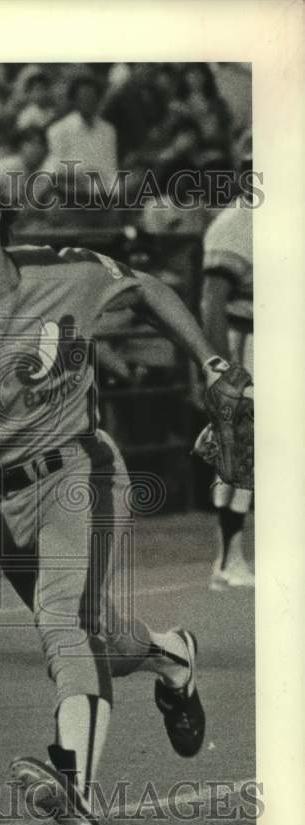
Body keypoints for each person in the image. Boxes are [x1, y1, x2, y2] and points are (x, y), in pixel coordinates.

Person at [0, 152, 227, 825]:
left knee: (64, 624)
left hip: (80, 473)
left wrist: (209, 362)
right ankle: (171, 659)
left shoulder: (64, 270)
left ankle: (74, 780)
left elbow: (147, 287)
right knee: (102, 639)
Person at [200, 129, 255, 590]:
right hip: (246, 342)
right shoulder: (237, 221)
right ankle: (227, 558)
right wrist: (220, 368)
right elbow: (212, 301)